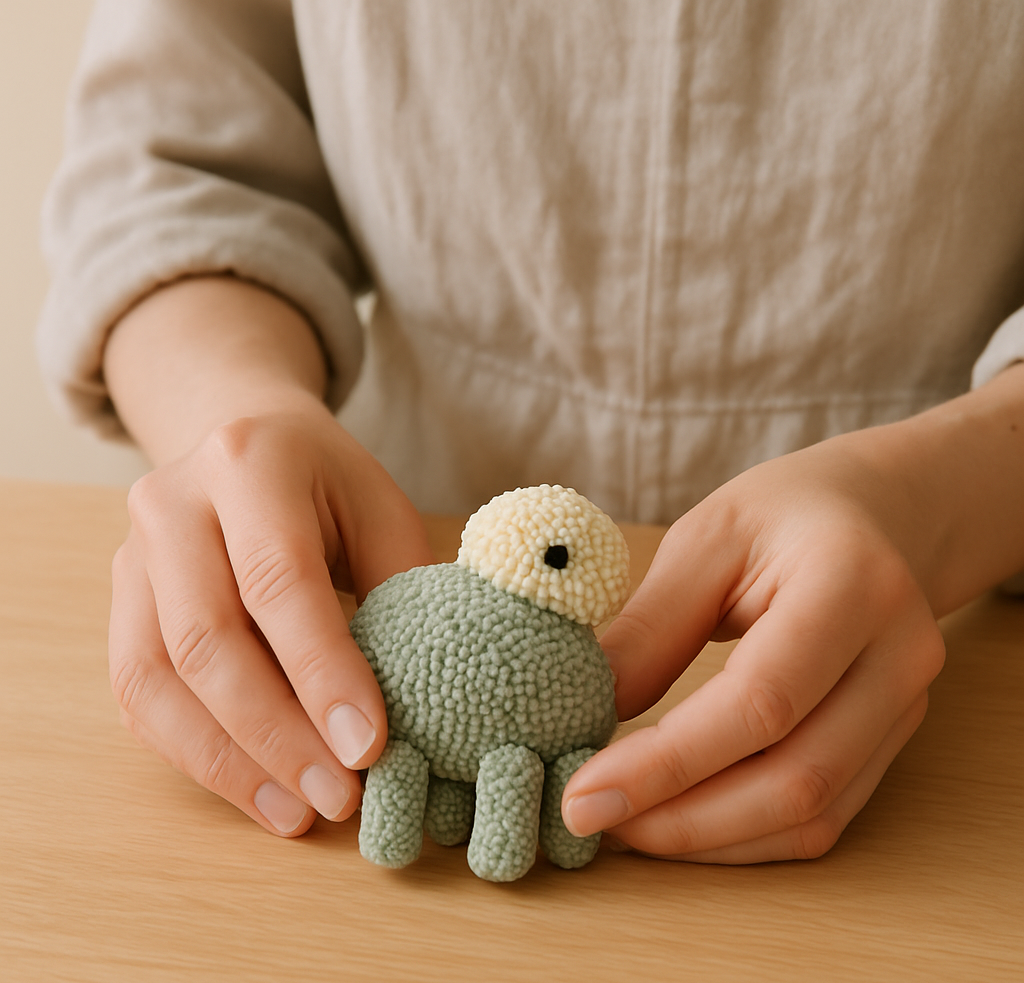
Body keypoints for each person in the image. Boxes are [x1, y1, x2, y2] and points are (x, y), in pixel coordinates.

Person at [39, 0, 1024, 863]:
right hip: (372, 575)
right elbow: (164, 166)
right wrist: (232, 414)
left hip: (968, 665)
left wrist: (945, 499)